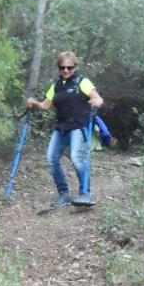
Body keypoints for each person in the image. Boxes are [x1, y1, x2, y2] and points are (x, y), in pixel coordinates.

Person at [26, 51, 104, 206]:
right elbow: (45, 106)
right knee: (51, 159)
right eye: (63, 67)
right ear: (59, 67)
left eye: (70, 67)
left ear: (75, 66)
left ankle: (86, 193)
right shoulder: (56, 85)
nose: (66, 70)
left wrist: (97, 101)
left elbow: (98, 98)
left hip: (78, 126)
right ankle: (64, 194)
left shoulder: (83, 82)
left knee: (76, 158)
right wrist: (34, 103)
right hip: (61, 127)